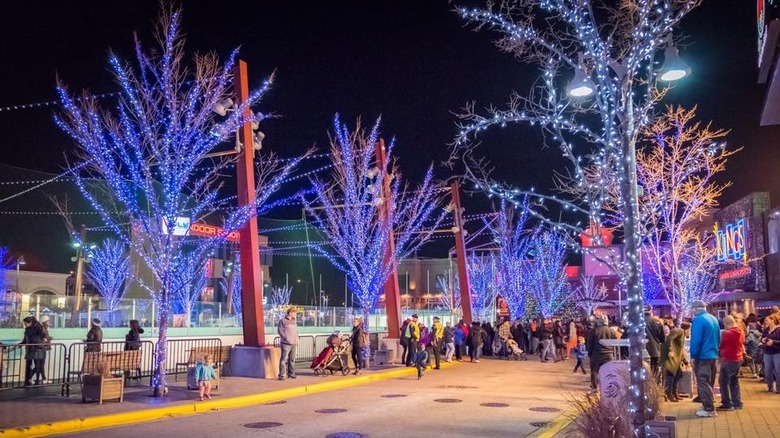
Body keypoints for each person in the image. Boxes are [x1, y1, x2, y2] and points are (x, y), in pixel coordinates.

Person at [689, 300, 720, 418]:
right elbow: (718, 337)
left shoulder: (698, 320)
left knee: (703, 381)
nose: (691, 312)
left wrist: (693, 356)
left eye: (692, 309)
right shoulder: (713, 318)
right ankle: (707, 404)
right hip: (713, 354)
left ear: (696, 309)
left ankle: (709, 408)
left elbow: (696, 340)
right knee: (709, 381)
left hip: (703, 356)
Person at [717, 315, 744, 411]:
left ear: (725, 324)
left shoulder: (726, 333)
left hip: (728, 359)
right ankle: (737, 403)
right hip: (738, 358)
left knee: (723, 381)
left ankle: (727, 403)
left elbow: (721, 345)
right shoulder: (740, 331)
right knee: (734, 381)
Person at [586, 314, 615, 391]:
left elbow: (590, 343)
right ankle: (609, 387)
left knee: (594, 371)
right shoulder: (611, 331)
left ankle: (594, 387)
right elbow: (615, 342)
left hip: (596, 354)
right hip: (609, 354)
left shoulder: (594, 331)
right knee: (608, 372)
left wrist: (589, 353)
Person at [661, 325, 687, 402]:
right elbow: (669, 339)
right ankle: (669, 393)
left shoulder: (682, 334)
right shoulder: (679, 332)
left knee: (678, 374)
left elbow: (680, 348)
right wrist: (670, 350)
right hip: (672, 357)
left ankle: (674, 392)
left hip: (677, 358)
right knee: (671, 374)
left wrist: (684, 359)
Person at [21, 316, 45, 386]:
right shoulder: (28, 329)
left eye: (26, 323)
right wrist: (21, 344)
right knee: (31, 365)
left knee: (37, 365)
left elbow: (40, 336)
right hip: (30, 349)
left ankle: (35, 380)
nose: (25, 325)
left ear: (30, 322)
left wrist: (24, 343)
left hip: (35, 349)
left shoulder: (38, 328)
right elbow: (25, 340)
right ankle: (28, 380)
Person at [644, 306, 665, 382]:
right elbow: (662, 338)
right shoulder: (657, 321)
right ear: (651, 311)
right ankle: (654, 390)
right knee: (654, 372)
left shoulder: (637, 322)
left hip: (640, 351)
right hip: (655, 350)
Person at [277, 308, 299, 380]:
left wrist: (297, 339)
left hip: (294, 343)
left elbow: (295, 331)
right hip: (286, 343)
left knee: (292, 359)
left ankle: (291, 374)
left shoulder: (294, 321)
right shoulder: (282, 321)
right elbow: (280, 331)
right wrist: (286, 338)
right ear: (290, 313)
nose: (295, 314)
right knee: (284, 359)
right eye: (294, 313)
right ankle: (282, 375)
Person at [761, 314, 780, 392]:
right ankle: (770, 387)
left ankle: (779, 388)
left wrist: (773, 342)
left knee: (778, 370)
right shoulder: (766, 330)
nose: (765, 321)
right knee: (768, 370)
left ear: (772, 320)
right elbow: (762, 338)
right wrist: (762, 340)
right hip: (767, 352)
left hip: (777, 352)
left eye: (767, 320)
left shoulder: (778, 330)